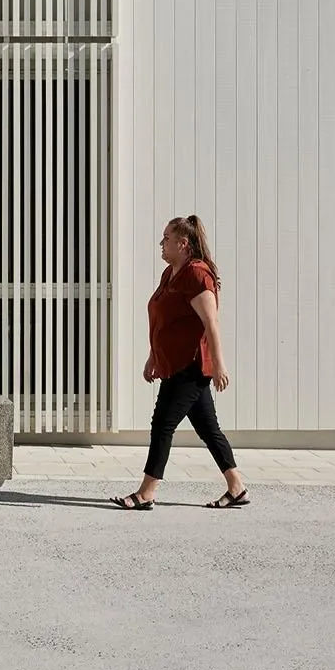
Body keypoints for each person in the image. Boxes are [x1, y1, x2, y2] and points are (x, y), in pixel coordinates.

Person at [113, 215, 249, 512]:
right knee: (208, 428)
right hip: (174, 363)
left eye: (166, 238)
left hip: (191, 366)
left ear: (183, 244)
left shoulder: (197, 275)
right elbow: (165, 320)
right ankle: (236, 487)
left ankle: (147, 492)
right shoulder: (171, 273)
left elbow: (211, 323)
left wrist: (219, 366)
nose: (161, 243)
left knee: (162, 424)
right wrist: (153, 355)